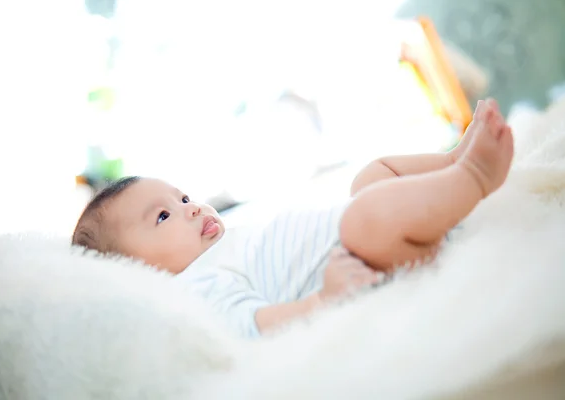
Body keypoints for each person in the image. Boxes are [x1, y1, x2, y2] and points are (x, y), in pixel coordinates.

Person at [72, 98, 513, 338]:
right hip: (374, 254)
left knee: (371, 177)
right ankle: (473, 177)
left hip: (385, 221)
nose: (190, 207)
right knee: (364, 218)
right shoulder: (195, 289)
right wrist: (321, 303)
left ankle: (453, 161)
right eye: (164, 215)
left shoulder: (223, 250)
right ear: (137, 273)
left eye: (183, 196)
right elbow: (254, 327)